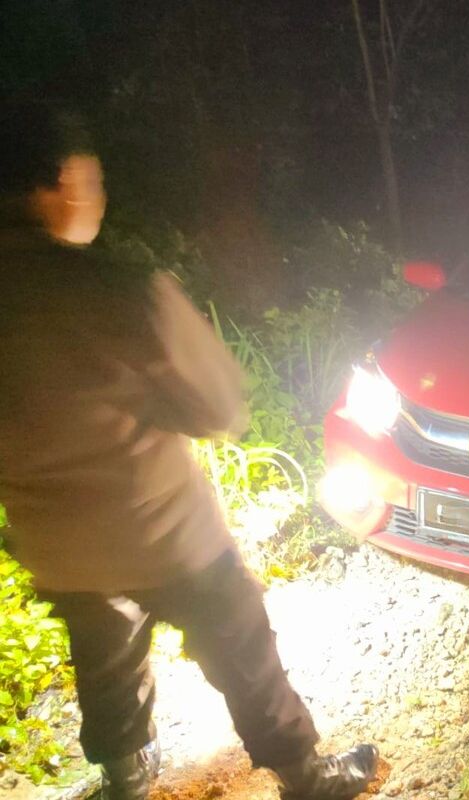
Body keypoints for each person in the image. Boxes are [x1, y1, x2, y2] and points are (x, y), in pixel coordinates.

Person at [0, 104, 378, 800]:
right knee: (239, 641)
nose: (96, 195)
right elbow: (220, 408)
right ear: (59, 184)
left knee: (104, 655)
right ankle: (303, 772)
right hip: (161, 530)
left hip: (56, 544)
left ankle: (124, 778)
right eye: (89, 178)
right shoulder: (121, 291)